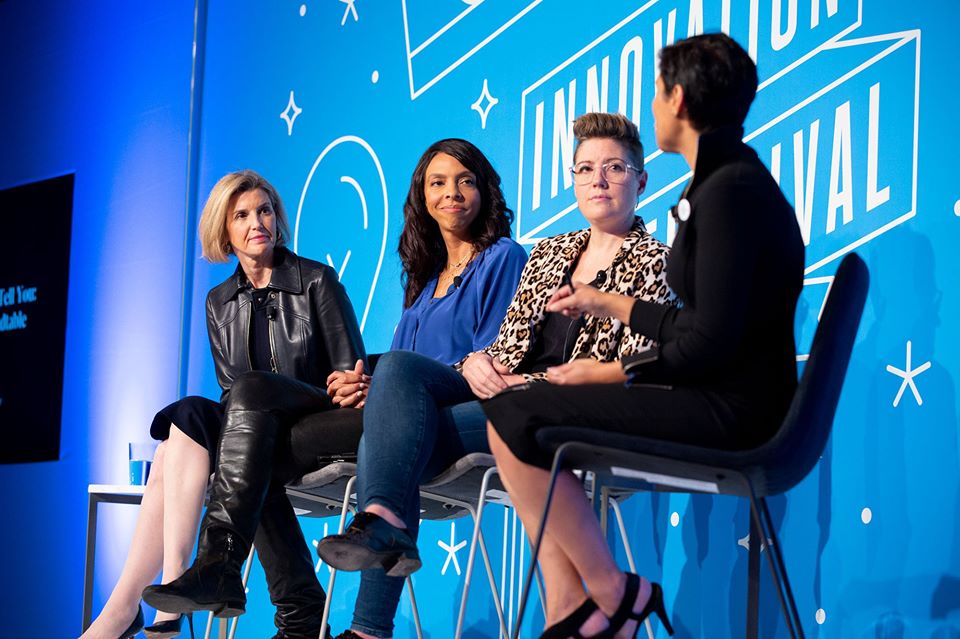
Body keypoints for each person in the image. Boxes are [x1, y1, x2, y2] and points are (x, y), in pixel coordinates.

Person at [483, 33, 805, 638]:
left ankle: (610, 592)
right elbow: (697, 326)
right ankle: (579, 604)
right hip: (725, 398)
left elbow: (707, 346)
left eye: (657, 93)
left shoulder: (730, 192)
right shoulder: (722, 182)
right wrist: (604, 300)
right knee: (514, 413)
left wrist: (604, 372)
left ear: (678, 99)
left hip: (737, 413)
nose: (653, 106)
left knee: (513, 414)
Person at [144, 140, 526, 637]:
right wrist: (372, 382)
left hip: (430, 413)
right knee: (241, 441)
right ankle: (292, 608)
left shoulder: (502, 257)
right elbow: (393, 369)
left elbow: (493, 357)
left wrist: (364, 380)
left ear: (484, 190)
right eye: (438, 183)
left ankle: (275, 595)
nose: (451, 193)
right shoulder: (424, 278)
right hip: (390, 408)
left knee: (253, 419)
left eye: (465, 181)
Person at [317, 113, 673, 639]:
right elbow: (505, 348)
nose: (598, 180)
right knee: (394, 393)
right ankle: (382, 540)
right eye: (585, 169)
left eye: (614, 168)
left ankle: (370, 622)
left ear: (640, 181)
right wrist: (478, 362)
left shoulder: (657, 262)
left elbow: (632, 371)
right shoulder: (549, 254)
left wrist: (537, 384)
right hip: (508, 405)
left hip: (569, 413)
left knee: (394, 436)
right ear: (573, 179)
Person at [80, 169, 367, 639]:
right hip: (255, 428)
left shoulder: (317, 280)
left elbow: (351, 375)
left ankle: (168, 593)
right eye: (242, 215)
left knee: (245, 400)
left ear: (276, 218)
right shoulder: (219, 301)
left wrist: (348, 384)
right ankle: (159, 594)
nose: (257, 223)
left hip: (316, 418)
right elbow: (230, 397)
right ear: (224, 230)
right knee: (186, 422)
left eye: (264, 211)